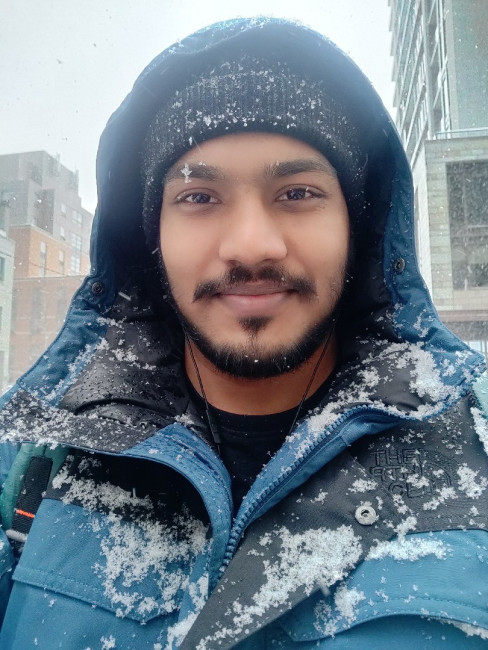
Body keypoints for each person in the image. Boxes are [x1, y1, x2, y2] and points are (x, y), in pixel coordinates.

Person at [0, 16, 487, 650]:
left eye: (298, 192)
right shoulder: (32, 455)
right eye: (200, 197)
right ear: (152, 237)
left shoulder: (475, 442)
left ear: (357, 227)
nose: (252, 245)